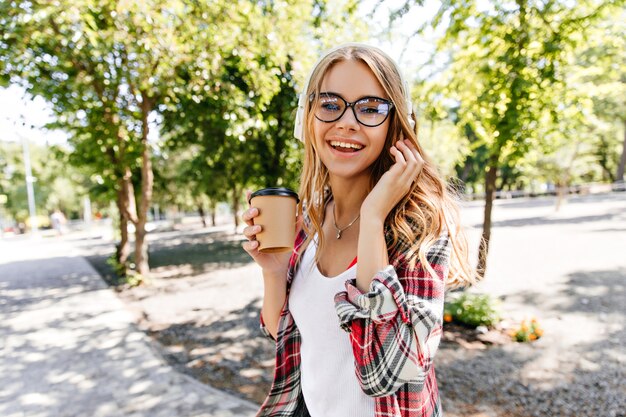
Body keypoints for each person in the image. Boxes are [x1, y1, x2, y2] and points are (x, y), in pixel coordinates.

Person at [242, 43, 476, 417]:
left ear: (395, 124)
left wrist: (372, 219)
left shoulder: (421, 227)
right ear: (308, 117)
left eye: (370, 109)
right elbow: (282, 332)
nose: (346, 122)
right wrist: (273, 271)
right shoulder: (309, 220)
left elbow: (388, 372)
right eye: (330, 104)